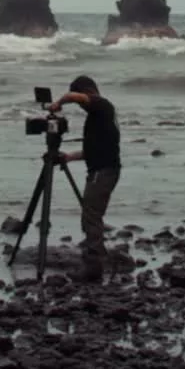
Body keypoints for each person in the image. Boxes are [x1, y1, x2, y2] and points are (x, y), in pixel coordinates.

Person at [49, 75, 120, 282]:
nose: (81, 107)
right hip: (104, 170)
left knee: (91, 218)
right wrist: (69, 157)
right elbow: (94, 150)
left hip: (103, 173)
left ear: (88, 91)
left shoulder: (101, 105)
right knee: (90, 216)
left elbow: (75, 97)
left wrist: (58, 103)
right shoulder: (101, 115)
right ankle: (96, 261)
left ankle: (94, 268)